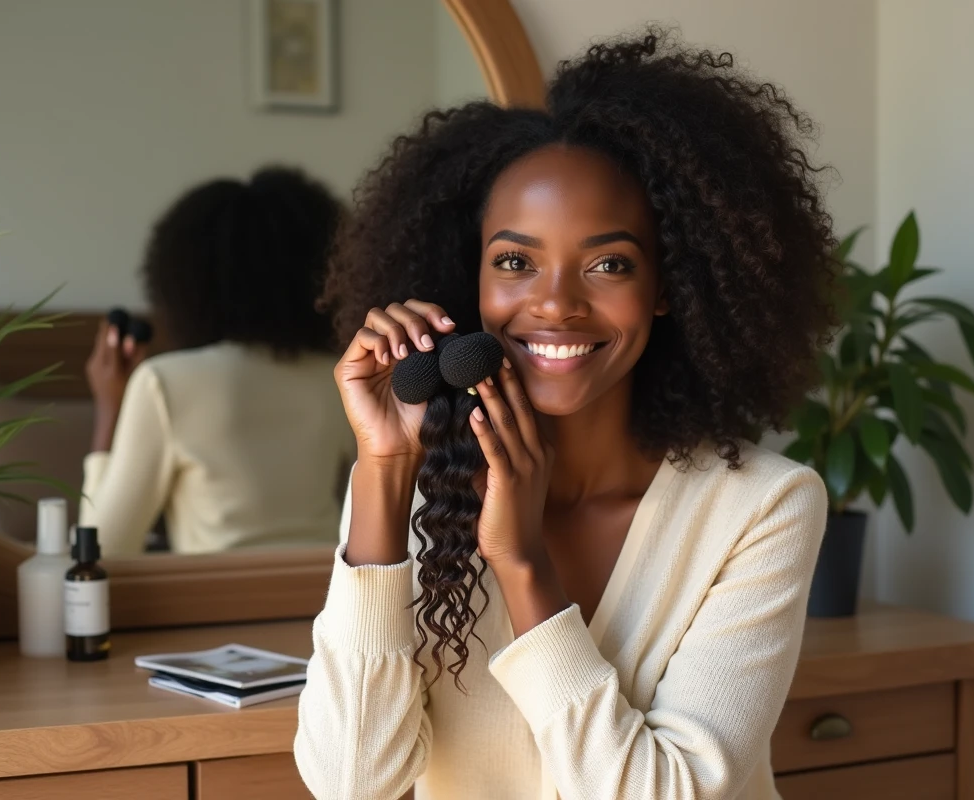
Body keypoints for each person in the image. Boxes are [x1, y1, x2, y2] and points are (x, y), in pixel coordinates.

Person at [296, 31, 835, 800]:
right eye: (515, 262)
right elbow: (351, 783)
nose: (555, 304)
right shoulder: (411, 486)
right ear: (471, 278)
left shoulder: (761, 507)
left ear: (667, 285)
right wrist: (383, 472)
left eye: (608, 264)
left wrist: (522, 565)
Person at [81, 166, 353, 557]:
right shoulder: (342, 377)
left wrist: (109, 411)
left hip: (217, 590)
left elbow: (102, 552)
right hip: (328, 587)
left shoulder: (164, 382)